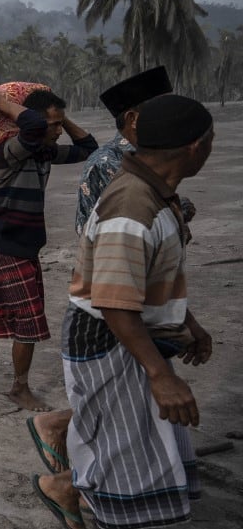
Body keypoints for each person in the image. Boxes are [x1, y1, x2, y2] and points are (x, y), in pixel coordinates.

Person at [33, 95, 214, 529]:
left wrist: (188, 323)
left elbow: (154, 275)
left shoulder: (155, 193)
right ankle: (64, 488)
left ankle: (66, 488)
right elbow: (113, 301)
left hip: (129, 333)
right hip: (108, 335)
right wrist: (160, 374)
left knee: (135, 442)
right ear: (195, 146)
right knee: (122, 451)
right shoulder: (132, 207)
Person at [0, 87, 96, 412]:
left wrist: (60, 117)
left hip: (23, 245)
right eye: (53, 125)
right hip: (3, 242)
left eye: (60, 125)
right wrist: (1, 103)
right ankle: (19, 388)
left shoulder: (44, 152)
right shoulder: (10, 150)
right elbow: (30, 128)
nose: (57, 132)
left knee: (9, 315)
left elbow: (88, 148)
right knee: (29, 320)